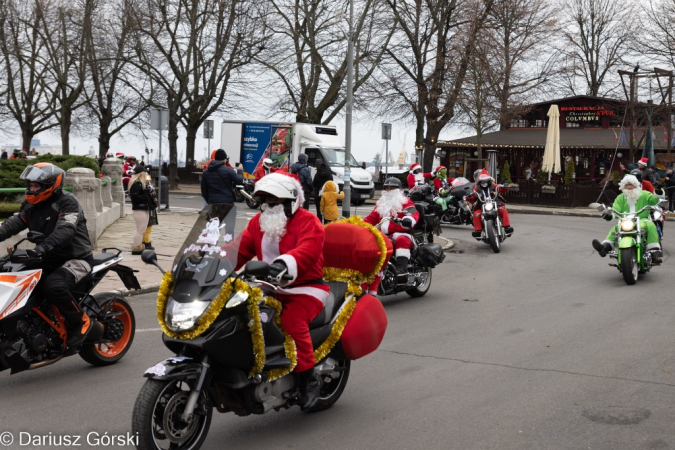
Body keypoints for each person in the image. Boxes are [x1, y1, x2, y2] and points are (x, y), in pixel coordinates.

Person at [234, 172, 329, 411]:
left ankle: (309, 378)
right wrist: (210, 261)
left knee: (291, 321)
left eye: (275, 201)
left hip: (306, 287)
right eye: (265, 201)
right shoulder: (257, 223)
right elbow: (239, 249)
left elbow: (308, 249)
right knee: (239, 314)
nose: (269, 206)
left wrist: (284, 264)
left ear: (290, 201)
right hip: (268, 286)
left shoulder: (308, 221)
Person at [0, 163, 94, 348]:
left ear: (51, 185)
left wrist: (41, 249)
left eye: (37, 186)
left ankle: (81, 321)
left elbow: (65, 231)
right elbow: (12, 224)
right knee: (7, 274)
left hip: (75, 259)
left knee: (53, 286)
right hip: (45, 258)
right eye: (31, 186)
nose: (32, 190)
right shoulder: (30, 205)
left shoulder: (67, 202)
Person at [592, 174, 662, 263]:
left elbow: (654, 200)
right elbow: (615, 210)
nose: (629, 187)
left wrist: (658, 192)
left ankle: (654, 252)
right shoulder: (620, 198)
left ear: (636, 185)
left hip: (642, 219)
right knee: (616, 228)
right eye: (627, 185)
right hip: (626, 221)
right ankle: (605, 247)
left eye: (631, 184)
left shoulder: (644, 194)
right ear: (623, 186)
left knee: (651, 225)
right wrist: (609, 215)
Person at [363, 177, 419, 275]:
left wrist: (408, 219)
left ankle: (402, 270)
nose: (389, 191)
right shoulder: (381, 205)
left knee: (401, 240)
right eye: (387, 188)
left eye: (392, 188)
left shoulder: (405, 202)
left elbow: (413, 213)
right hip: (383, 235)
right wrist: (358, 224)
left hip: (403, 233)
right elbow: (371, 218)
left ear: (398, 190)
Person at [201, 149, 243, 232]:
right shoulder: (229, 170)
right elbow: (239, 180)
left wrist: (210, 200)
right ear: (225, 159)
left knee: (213, 229)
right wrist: (240, 171)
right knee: (229, 229)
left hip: (213, 203)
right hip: (228, 203)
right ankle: (229, 244)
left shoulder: (206, 173)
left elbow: (204, 190)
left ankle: (213, 244)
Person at [465, 168, 513, 238]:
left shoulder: (493, 185)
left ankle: (507, 228)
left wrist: (505, 187)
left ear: (488, 179)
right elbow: (471, 197)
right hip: (482, 206)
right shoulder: (476, 188)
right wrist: (469, 195)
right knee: (476, 214)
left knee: (503, 210)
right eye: (482, 180)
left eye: (485, 180)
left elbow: (501, 189)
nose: (484, 181)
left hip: (495, 205)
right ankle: (478, 231)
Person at [128, 165, 157, 255]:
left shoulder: (140, 183)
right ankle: (136, 248)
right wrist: (146, 195)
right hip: (139, 209)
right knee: (140, 230)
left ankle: (138, 247)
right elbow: (135, 197)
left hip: (143, 208)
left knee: (142, 230)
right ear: (141, 174)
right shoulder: (137, 184)